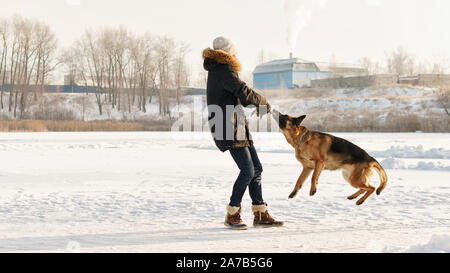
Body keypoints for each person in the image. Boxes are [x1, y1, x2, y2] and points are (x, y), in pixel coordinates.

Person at [202, 36, 284, 230]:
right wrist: (263, 102)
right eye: (235, 51)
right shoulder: (223, 70)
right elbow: (243, 91)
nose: (237, 54)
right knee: (247, 170)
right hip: (227, 127)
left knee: (256, 169)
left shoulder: (220, 70)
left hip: (236, 125)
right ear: (228, 53)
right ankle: (232, 213)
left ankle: (260, 212)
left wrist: (257, 103)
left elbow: (242, 97)